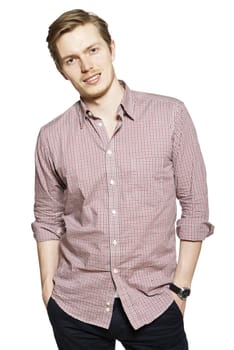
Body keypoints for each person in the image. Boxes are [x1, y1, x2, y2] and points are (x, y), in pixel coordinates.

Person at [32, 8, 214, 350]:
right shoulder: (51, 137)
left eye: (92, 50)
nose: (86, 66)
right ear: (61, 70)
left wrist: (181, 289)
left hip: (154, 303)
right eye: (71, 59)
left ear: (111, 48)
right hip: (76, 308)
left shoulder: (170, 115)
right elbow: (47, 219)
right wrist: (48, 288)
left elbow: (194, 207)